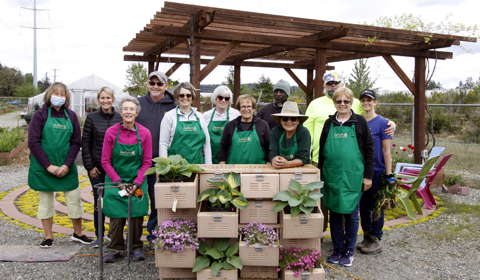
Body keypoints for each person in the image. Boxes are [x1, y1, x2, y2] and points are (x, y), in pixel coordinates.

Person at [28, 82, 93, 248]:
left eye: (62, 94)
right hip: (44, 167)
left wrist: (66, 164)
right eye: (55, 93)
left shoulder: (71, 116)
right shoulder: (40, 115)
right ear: (49, 95)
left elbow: (75, 142)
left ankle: (78, 233)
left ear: (66, 98)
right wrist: (48, 166)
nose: (59, 97)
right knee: (46, 203)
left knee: (74, 200)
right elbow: (33, 142)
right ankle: (48, 236)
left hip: (66, 167)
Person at [318, 87, 374, 267]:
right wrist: (320, 174)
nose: (342, 104)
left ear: (351, 103)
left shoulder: (359, 122)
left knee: (351, 213)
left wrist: (368, 176)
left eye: (346, 101)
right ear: (334, 103)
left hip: (353, 177)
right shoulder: (329, 123)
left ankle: (349, 251)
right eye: (339, 101)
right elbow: (322, 151)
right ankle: (337, 249)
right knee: (334, 213)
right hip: (332, 176)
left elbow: (369, 150)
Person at [101, 97, 152, 263]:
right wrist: (118, 181)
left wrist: (137, 181)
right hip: (116, 182)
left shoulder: (144, 133)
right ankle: (115, 247)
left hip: (136, 181)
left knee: (136, 212)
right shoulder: (111, 133)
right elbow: (105, 161)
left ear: (136, 112)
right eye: (125, 109)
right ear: (120, 112)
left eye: (131, 109)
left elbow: (147, 162)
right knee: (116, 213)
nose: (128, 112)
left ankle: (135, 246)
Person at [136, 71, 176, 242]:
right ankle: (133, 235)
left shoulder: (173, 106)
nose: (155, 87)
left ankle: (153, 232)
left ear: (165, 86)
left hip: (162, 161)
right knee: (137, 196)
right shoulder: (138, 104)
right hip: (139, 161)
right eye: (152, 83)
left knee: (158, 198)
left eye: (159, 84)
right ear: (148, 85)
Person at [81, 87, 121, 247]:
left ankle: (114, 235)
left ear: (113, 99)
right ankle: (99, 236)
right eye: (102, 98)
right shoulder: (91, 118)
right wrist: (90, 166)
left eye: (108, 98)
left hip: (114, 168)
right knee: (99, 202)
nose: (105, 101)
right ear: (99, 100)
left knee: (115, 200)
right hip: (97, 169)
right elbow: (85, 143)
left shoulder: (119, 117)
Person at [357, 89, 393, 255]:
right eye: (363, 100)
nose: (366, 103)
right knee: (363, 207)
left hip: (377, 171)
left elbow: (386, 151)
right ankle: (366, 236)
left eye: (369, 100)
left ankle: (376, 238)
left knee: (376, 207)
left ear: (375, 102)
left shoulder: (383, 123)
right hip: (361, 171)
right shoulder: (359, 122)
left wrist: (389, 174)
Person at [159, 82, 212, 164]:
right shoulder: (169, 116)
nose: (185, 97)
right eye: (181, 95)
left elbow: (206, 143)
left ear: (192, 97)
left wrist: (209, 166)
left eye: (188, 95)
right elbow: (163, 144)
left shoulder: (200, 116)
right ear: (177, 97)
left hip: (198, 166)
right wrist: (164, 167)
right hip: (176, 170)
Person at [218, 94, 270, 164]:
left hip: (258, 170)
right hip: (234, 171)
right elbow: (223, 147)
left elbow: (269, 147)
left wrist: (269, 162)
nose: (246, 109)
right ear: (239, 109)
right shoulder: (230, 126)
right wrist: (222, 162)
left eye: (249, 106)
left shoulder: (262, 125)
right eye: (243, 107)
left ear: (253, 109)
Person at [202, 85, 240, 163]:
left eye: (226, 98)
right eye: (220, 97)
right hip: (211, 157)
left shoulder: (236, 114)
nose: (223, 100)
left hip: (230, 157)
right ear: (215, 98)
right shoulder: (206, 115)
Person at [269, 101, 311, 169]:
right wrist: (274, 160)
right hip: (279, 170)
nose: (289, 122)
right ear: (281, 121)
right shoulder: (275, 131)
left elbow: (304, 157)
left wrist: (288, 164)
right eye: (285, 119)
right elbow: (272, 152)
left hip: (300, 172)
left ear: (298, 121)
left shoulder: (304, 132)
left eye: (293, 119)